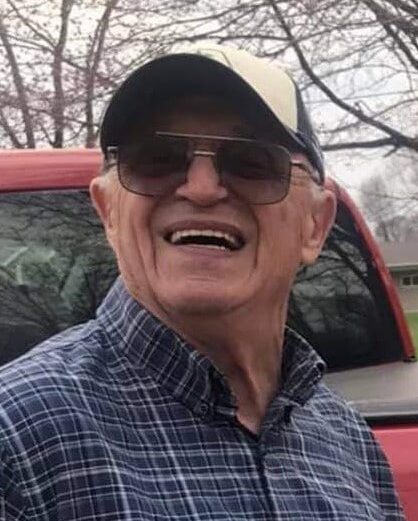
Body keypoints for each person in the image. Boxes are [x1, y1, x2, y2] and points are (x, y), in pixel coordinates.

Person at [0, 45, 405, 520]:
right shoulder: (14, 442)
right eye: (157, 158)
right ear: (107, 212)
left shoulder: (351, 443)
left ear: (315, 225)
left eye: (252, 162)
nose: (202, 187)